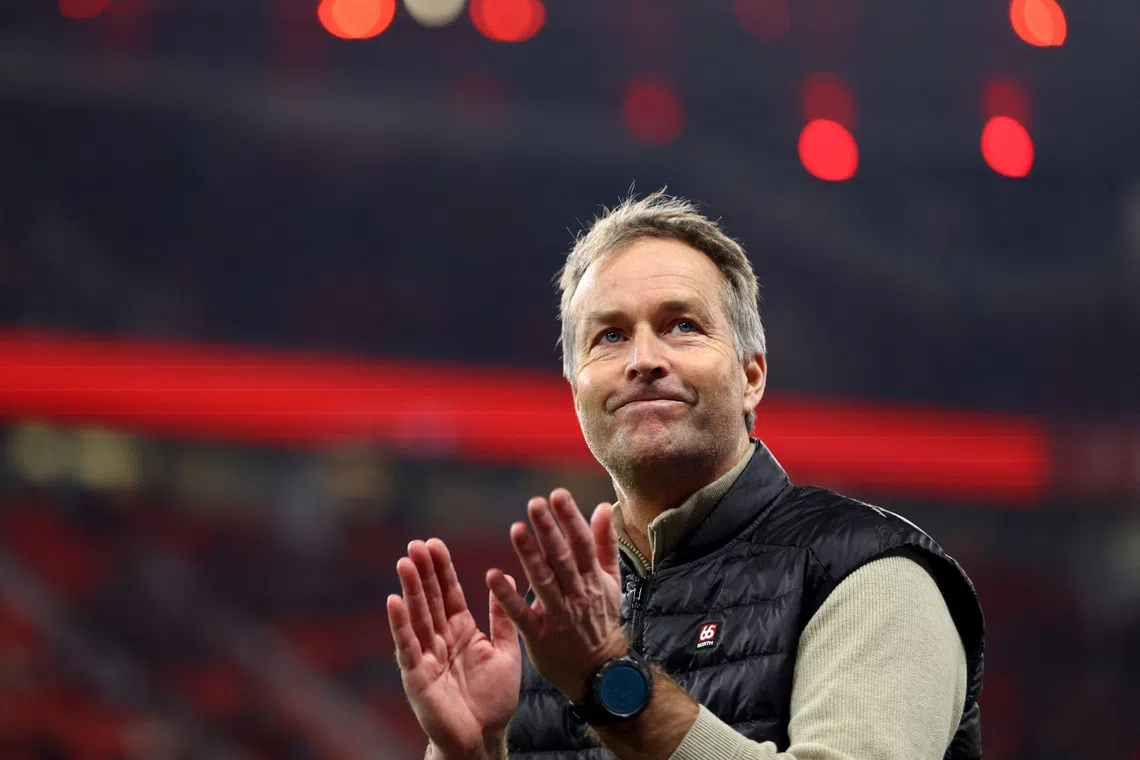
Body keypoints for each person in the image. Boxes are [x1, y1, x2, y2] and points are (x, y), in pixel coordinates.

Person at [386, 190, 984, 760]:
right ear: (577, 393)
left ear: (751, 377)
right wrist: (471, 751)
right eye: (611, 336)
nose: (643, 360)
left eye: (681, 326)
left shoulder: (870, 574)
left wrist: (608, 679)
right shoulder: (554, 633)